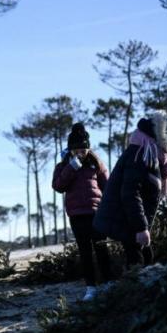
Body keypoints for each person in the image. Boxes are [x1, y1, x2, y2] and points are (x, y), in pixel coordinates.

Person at [94, 115, 167, 268]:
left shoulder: (147, 152)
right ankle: (130, 290)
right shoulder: (140, 155)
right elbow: (130, 194)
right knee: (140, 262)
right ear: (159, 136)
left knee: (144, 259)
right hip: (125, 219)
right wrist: (141, 228)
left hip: (128, 219)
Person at [52, 123, 111, 301]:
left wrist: (107, 208)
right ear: (70, 150)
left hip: (97, 213)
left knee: (102, 249)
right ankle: (91, 288)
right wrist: (72, 168)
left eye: (83, 149)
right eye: (76, 150)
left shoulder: (96, 164)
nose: (80, 153)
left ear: (88, 148)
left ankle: (108, 283)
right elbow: (58, 186)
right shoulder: (62, 166)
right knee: (85, 252)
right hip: (77, 215)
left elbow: (107, 186)